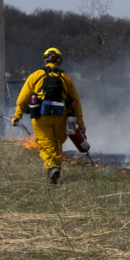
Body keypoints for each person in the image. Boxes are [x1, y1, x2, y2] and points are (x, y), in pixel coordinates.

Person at [12, 46, 88, 183]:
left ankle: (51, 167)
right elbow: (76, 102)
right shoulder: (66, 78)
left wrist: (17, 116)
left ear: (45, 60)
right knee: (57, 144)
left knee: (46, 144)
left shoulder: (36, 76)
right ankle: (56, 171)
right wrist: (80, 124)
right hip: (61, 117)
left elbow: (22, 98)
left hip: (41, 117)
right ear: (59, 61)